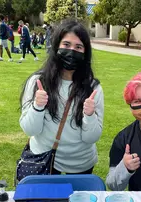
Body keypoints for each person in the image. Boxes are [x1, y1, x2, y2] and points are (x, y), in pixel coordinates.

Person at [19, 20, 104, 174]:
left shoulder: (93, 88)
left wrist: (90, 115)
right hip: (45, 159)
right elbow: (30, 129)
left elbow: (91, 138)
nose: (72, 51)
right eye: (66, 45)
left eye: (78, 47)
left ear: (85, 53)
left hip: (81, 164)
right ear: (56, 46)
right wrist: (37, 107)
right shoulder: (38, 82)